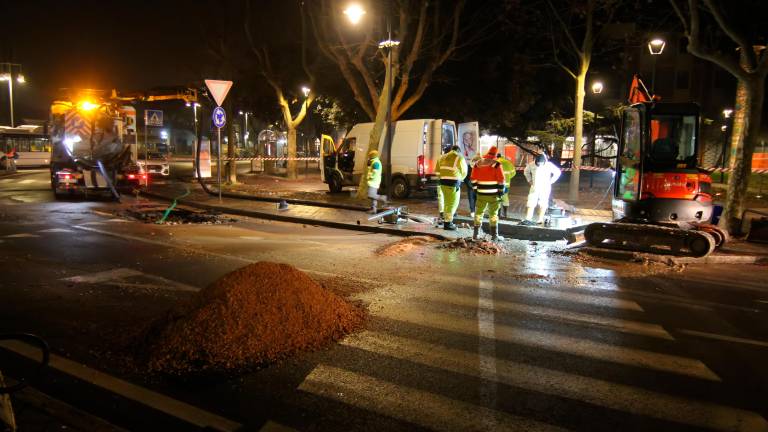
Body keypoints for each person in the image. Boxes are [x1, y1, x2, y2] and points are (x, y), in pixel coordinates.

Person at [471, 146, 506, 241]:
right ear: (495, 155)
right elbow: (501, 180)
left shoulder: (477, 164)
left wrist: (475, 190)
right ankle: (494, 235)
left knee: (478, 213)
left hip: (481, 193)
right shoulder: (496, 164)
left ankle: (475, 234)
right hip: (493, 195)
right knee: (493, 214)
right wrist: (501, 191)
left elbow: (473, 179)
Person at [435, 144, 468, 230]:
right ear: (458, 151)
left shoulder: (441, 157)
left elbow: (437, 172)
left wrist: (442, 178)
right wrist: (460, 179)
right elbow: (464, 172)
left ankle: (447, 220)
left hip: (442, 183)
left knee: (446, 202)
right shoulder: (459, 158)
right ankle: (448, 223)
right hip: (453, 183)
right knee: (452, 203)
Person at [522, 153, 561, 225]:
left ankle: (540, 219)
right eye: (537, 164)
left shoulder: (549, 165)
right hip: (534, 187)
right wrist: (529, 180)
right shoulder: (531, 164)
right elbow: (526, 171)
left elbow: (557, 172)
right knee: (531, 202)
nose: (539, 165)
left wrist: (551, 181)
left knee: (543, 203)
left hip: (545, 188)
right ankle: (528, 218)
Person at [496, 152, 516, 218]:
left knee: (498, 198)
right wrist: (508, 177)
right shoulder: (508, 163)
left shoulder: (494, 162)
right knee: (505, 197)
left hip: (497, 184)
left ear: (497, 157)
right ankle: (505, 214)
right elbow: (513, 173)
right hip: (506, 184)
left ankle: (498, 214)